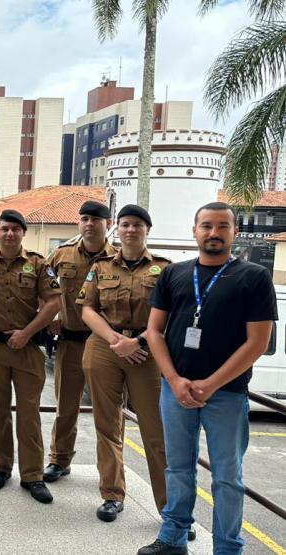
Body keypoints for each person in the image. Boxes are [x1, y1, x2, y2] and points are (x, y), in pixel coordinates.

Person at [138, 202, 276, 555]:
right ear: (194, 230)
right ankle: (173, 538)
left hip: (226, 394)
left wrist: (210, 384)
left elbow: (258, 342)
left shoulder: (254, 277)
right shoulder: (174, 274)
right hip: (175, 390)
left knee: (227, 477)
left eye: (222, 226)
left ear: (235, 232)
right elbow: (154, 332)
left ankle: (228, 548)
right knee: (178, 468)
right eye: (206, 226)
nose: (214, 233)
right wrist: (174, 379)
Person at [78, 204, 170, 523]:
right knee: (107, 425)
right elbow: (87, 309)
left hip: (147, 351)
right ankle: (112, 495)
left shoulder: (164, 269)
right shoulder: (101, 267)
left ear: (147, 229)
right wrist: (116, 341)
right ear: (117, 228)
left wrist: (138, 342)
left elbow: (169, 316)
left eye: (137, 225)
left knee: (155, 431)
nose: (131, 230)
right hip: (105, 347)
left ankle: (169, 509)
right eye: (125, 224)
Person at [0, 209, 61, 503]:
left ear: (23, 233)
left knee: (29, 413)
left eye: (15, 229)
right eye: (4, 229)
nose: (10, 234)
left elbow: (52, 303)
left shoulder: (38, 263)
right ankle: (1, 465)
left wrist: (27, 331)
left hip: (28, 348)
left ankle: (33, 475)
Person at [43, 200, 115, 483]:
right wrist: (51, 312)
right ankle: (60, 460)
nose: (89, 224)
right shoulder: (61, 256)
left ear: (107, 225)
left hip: (106, 346)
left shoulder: (118, 258)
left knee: (108, 413)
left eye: (95, 220)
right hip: (70, 342)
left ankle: (110, 470)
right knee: (65, 407)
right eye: (84, 219)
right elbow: (44, 287)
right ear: (79, 223)